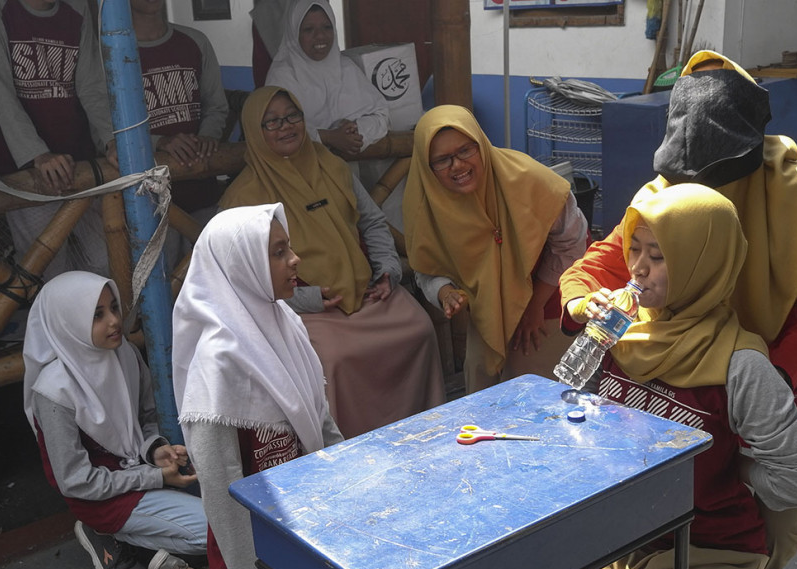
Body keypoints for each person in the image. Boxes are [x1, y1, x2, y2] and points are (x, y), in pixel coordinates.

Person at [559, 50, 797, 569]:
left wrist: (769, 376)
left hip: (781, 360)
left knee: (783, 501)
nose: (695, 193)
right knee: (699, 481)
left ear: (749, 155)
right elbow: (593, 268)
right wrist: (590, 307)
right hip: (691, 364)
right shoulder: (662, 194)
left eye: (714, 182)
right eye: (684, 182)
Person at [516, 184, 797, 569]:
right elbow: (573, 404)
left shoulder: (740, 366)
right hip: (625, 530)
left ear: (704, 265)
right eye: (634, 248)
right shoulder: (621, 330)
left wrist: (728, 465)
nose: (636, 268)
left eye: (658, 256)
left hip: (709, 544)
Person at [111, 203, 339, 569]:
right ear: (242, 267)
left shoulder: (286, 325)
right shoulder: (218, 370)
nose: (295, 259)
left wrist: (340, 501)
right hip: (249, 542)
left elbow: (320, 422)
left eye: (288, 248)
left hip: (301, 525)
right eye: (279, 252)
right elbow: (224, 496)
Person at [219, 87, 444, 438]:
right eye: (272, 121)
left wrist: (388, 270)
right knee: (335, 360)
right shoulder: (244, 196)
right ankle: (347, 451)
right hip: (302, 308)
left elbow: (371, 221)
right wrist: (309, 299)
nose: (286, 126)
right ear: (253, 131)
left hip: (366, 291)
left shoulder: (331, 164)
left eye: (292, 116)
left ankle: (422, 434)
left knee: (418, 328)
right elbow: (243, 280)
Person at [22, 271, 212, 569]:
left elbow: (144, 418)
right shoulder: (54, 392)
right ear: (67, 322)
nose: (114, 322)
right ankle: (110, 534)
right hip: (100, 499)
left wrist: (154, 450)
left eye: (113, 308)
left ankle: (140, 541)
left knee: (228, 520)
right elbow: (76, 481)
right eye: (97, 315)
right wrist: (156, 477)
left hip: (138, 475)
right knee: (219, 534)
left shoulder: (123, 353)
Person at [403, 105, 588, 395]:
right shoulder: (424, 208)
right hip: (486, 315)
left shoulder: (529, 180)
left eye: (466, 150)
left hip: (545, 310)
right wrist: (445, 292)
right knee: (481, 394)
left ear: (482, 144)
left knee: (536, 397)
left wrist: (535, 304)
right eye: (442, 160)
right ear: (426, 167)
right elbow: (426, 268)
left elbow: (573, 242)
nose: (458, 165)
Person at [0, 0, 116, 280]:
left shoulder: (77, 7)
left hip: (81, 163)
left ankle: (106, 323)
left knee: (105, 259)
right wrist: (37, 153)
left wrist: (111, 140)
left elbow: (90, 86)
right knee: (46, 270)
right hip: (26, 169)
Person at [130, 0, 228, 218]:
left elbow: (216, 106)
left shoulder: (195, 41)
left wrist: (207, 136)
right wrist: (160, 142)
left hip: (202, 186)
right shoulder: (113, 52)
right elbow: (106, 126)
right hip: (148, 201)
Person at [265, 0, 389, 157]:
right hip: (298, 174)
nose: (320, 36)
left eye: (327, 27)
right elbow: (275, 128)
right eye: (309, 30)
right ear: (294, 33)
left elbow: (381, 114)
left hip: (345, 174)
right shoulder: (282, 76)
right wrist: (330, 137)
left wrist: (356, 131)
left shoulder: (346, 68)